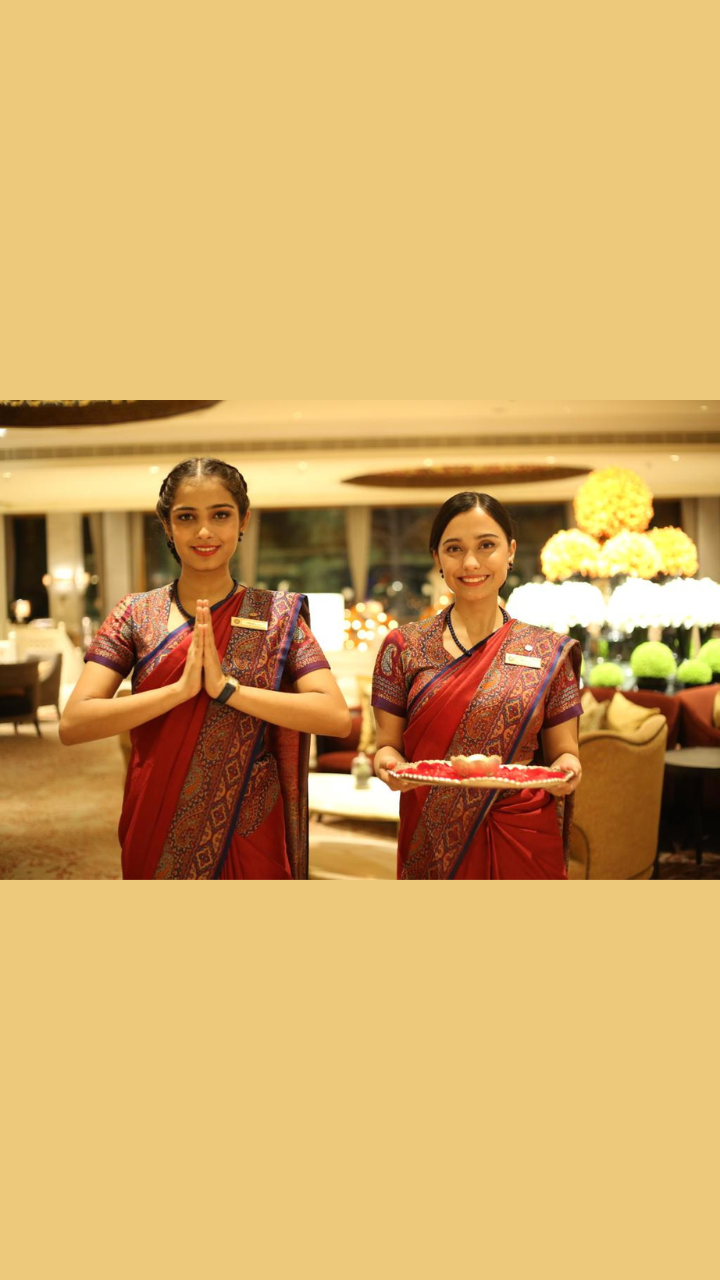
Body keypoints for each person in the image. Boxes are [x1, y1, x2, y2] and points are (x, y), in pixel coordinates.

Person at [60, 458, 351, 879]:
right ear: (167, 525)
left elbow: (335, 716)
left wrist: (228, 688)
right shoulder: (135, 614)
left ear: (243, 520)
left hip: (247, 822)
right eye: (186, 517)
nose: (204, 532)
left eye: (220, 515)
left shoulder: (276, 615)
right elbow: (74, 723)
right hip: (155, 813)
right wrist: (177, 692)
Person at [372, 492, 582, 879]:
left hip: (523, 834)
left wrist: (567, 771)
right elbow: (388, 745)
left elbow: (564, 753)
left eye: (487, 545)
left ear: (510, 551)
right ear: (437, 557)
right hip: (432, 837)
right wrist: (388, 765)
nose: (471, 562)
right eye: (454, 548)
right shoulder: (403, 647)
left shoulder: (550, 652)